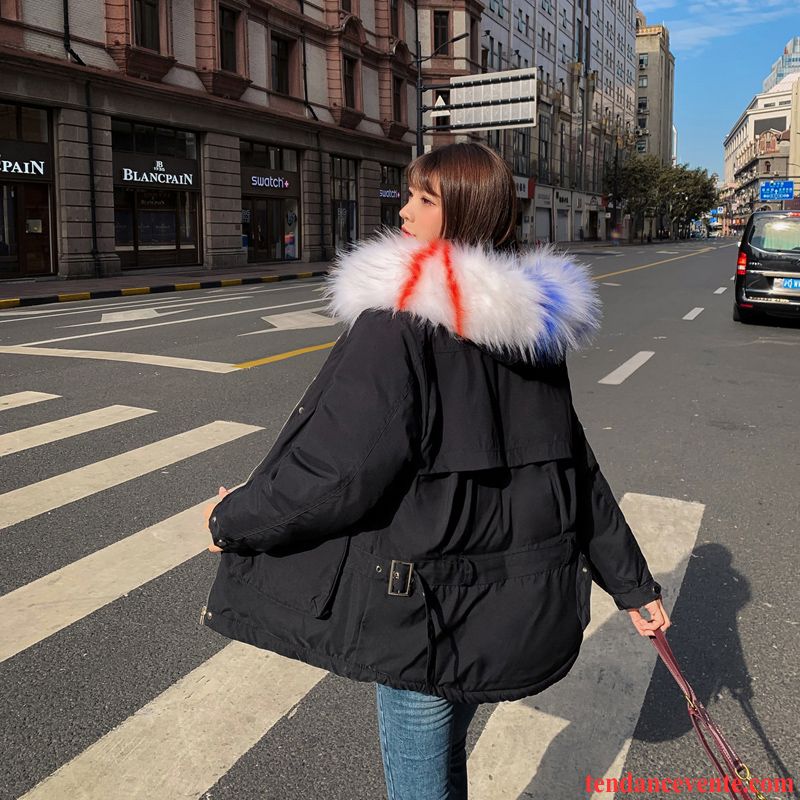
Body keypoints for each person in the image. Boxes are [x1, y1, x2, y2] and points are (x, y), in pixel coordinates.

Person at [202, 142, 669, 800]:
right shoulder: (529, 333)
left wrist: (231, 518)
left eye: (425, 199)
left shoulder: (398, 325)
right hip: (504, 608)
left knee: (423, 782)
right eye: (408, 194)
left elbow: (335, 475)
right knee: (445, 765)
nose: (404, 212)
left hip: (417, 609)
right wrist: (633, 586)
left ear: (468, 214)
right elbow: (576, 470)